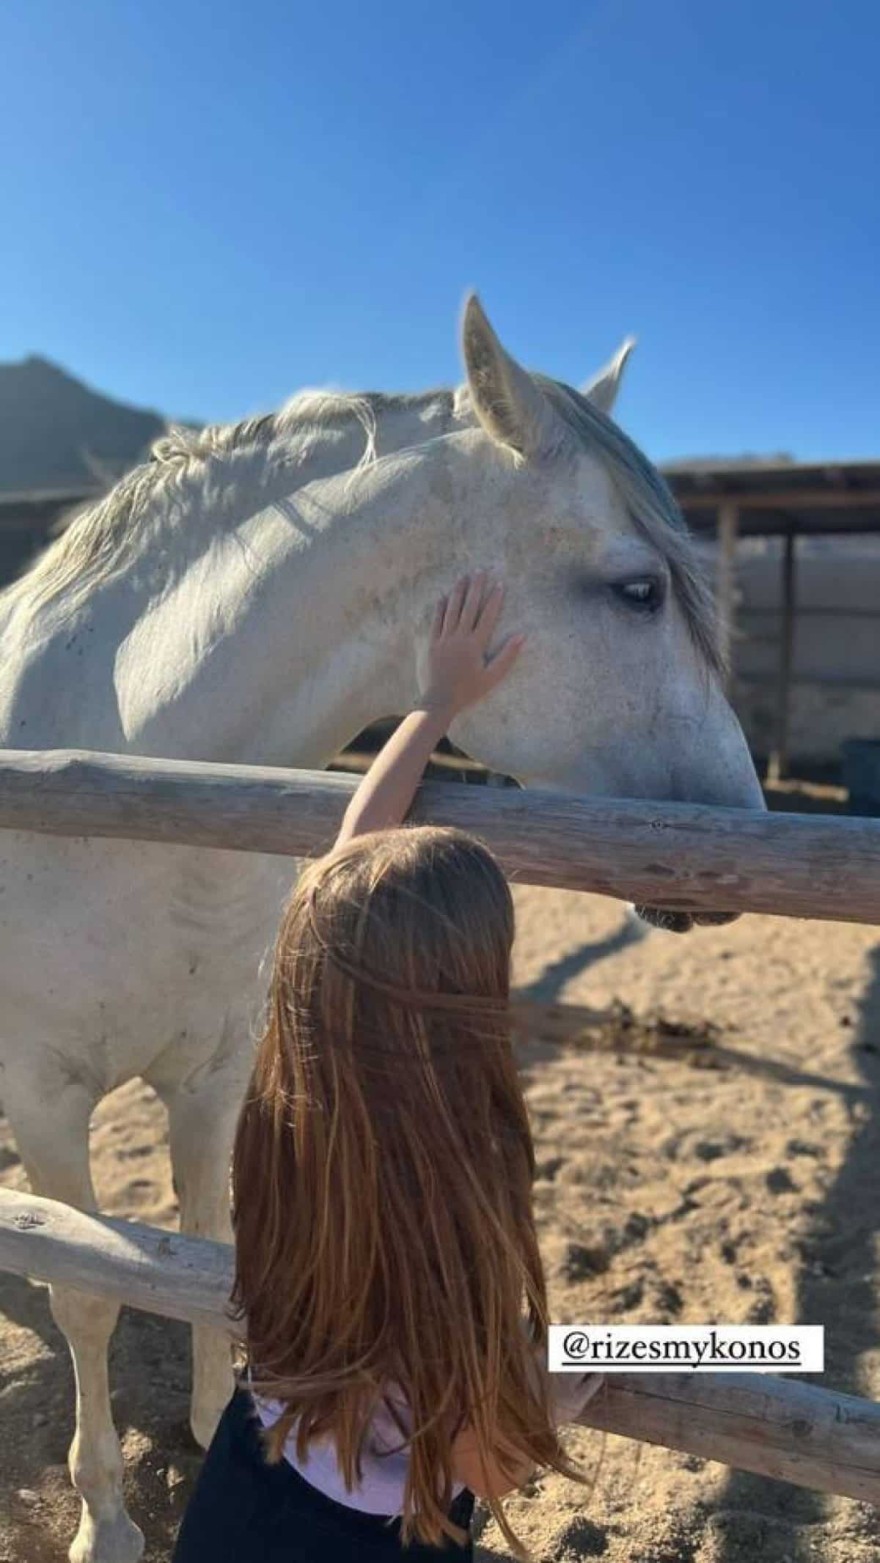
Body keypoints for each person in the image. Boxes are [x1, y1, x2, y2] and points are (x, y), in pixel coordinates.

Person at [172, 573, 604, 1563]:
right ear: (467, 1000)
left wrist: (434, 707)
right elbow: (480, 1457)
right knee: (742, 1350)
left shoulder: (286, 1112)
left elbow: (346, 875)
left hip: (244, 1494)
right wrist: (554, 1394)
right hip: (373, 1540)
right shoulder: (453, 1188)